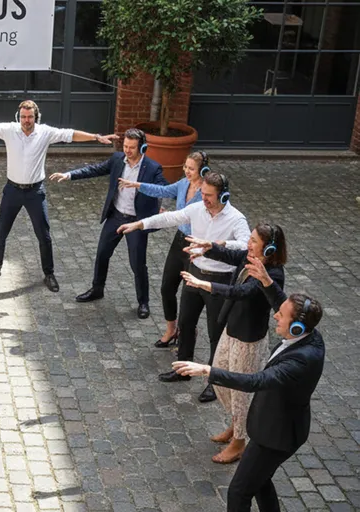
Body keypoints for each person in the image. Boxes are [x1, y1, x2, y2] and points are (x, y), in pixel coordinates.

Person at [172, 287, 325, 512]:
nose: (275, 316)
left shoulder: (300, 361)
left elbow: (256, 381)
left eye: (281, 315)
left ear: (296, 326)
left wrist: (207, 371)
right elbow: (282, 303)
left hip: (275, 436)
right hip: (275, 427)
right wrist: (267, 282)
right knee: (261, 482)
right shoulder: (308, 334)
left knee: (239, 492)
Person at [0, 102, 117, 292]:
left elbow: (70, 134)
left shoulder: (45, 132)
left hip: (35, 192)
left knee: (44, 235)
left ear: (37, 117)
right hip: (12, 191)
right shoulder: (9, 130)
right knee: (1, 232)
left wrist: (96, 137)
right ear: (19, 116)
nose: (27, 121)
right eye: (24, 117)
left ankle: (49, 274)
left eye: (30, 117)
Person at [116, 172, 250, 402]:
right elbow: (170, 218)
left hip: (218, 282)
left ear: (224, 196)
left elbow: (245, 246)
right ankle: (183, 370)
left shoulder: (236, 219)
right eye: (203, 193)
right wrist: (139, 224)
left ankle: (214, 382)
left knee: (215, 333)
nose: (204, 198)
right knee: (186, 324)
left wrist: (217, 244)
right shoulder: (197, 209)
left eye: (209, 195)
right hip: (194, 274)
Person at [180, 223, 287, 463]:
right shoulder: (249, 257)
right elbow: (230, 254)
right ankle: (238, 424)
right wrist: (209, 247)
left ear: (269, 249)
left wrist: (203, 284)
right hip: (231, 328)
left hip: (248, 338)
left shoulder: (273, 274)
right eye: (249, 239)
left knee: (240, 392)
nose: (248, 244)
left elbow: (243, 292)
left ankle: (239, 441)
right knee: (218, 379)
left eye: (254, 241)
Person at [50, 128, 168, 318]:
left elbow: (163, 188)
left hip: (136, 222)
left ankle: (143, 302)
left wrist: (159, 205)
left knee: (137, 264)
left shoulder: (153, 168)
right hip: (116, 217)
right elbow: (95, 169)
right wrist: (69, 175)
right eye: (125, 146)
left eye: (132, 147)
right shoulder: (117, 160)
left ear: (142, 147)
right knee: (102, 254)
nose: (127, 150)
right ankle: (97, 289)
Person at [115, 151, 206, 340]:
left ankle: (187, 334)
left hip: (197, 245)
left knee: (190, 294)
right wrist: (137, 185)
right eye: (185, 167)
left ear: (203, 170)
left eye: (191, 168)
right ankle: (171, 328)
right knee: (167, 288)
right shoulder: (183, 184)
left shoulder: (208, 191)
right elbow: (163, 191)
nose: (187, 171)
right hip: (180, 240)